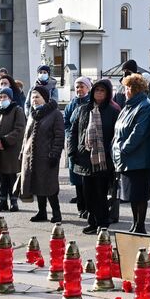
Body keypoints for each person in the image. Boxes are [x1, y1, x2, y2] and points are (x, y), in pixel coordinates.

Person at [70, 79, 119, 233]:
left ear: (108, 93)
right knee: (87, 193)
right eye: (96, 90)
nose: (98, 93)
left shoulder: (113, 111)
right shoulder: (83, 109)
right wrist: (73, 151)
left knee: (101, 193)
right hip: (84, 157)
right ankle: (92, 221)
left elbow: (116, 136)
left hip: (103, 160)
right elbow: (74, 131)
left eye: (102, 90)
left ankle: (103, 223)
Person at [114, 73, 150, 233]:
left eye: (126, 88)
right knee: (132, 194)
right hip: (128, 158)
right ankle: (135, 223)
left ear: (133, 89)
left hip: (139, 158)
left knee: (139, 194)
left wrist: (123, 148)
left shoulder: (145, 106)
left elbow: (139, 132)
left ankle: (140, 225)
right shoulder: (129, 105)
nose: (124, 91)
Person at [19, 84, 65, 222]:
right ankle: (42, 212)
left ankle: (56, 213)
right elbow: (26, 137)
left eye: (37, 97)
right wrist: (22, 153)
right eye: (33, 97)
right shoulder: (33, 114)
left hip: (47, 156)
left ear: (45, 98)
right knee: (37, 184)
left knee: (49, 186)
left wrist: (55, 154)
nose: (35, 100)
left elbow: (59, 136)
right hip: (32, 156)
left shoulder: (55, 114)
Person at [0, 82, 25, 212]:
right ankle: (2, 200)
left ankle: (14, 201)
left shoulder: (17, 110)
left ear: (10, 98)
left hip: (11, 149)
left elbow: (19, 129)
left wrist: (4, 141)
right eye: (0, 97)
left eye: (5, 97)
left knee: (11, 176)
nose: (2, 99)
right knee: (1, 176)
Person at [63, 76, 92, 213]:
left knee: (86, 178)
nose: (79, 89)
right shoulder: (71, 104)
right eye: (77, 87)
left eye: (82, 86)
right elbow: (66, 122)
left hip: (86, 143)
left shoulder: (91, 102)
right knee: (75, 176)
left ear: (88, 88)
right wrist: (70, 133)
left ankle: (88, 206)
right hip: (73, 141)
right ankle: (81, 205)